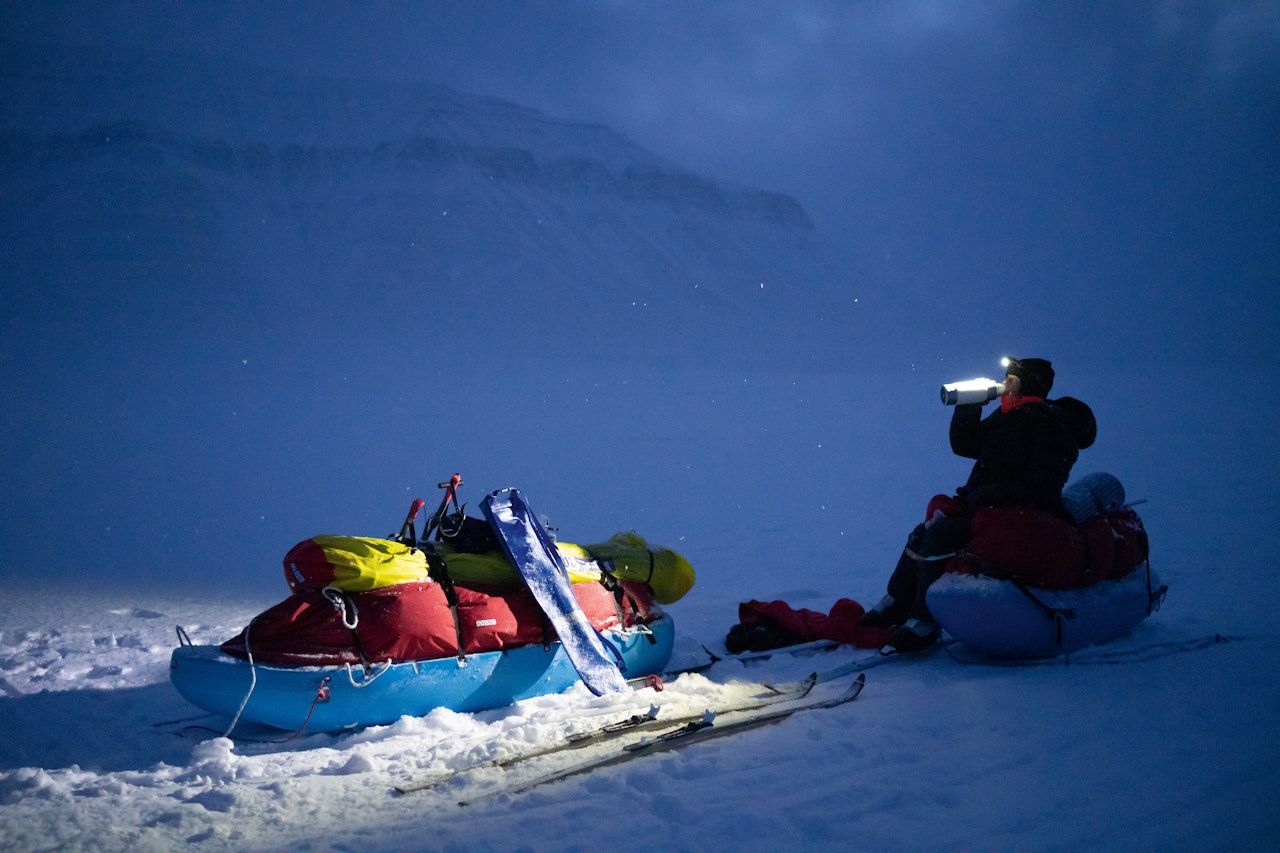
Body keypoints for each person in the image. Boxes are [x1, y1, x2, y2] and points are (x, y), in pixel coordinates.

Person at [861, 357, 1084, 652]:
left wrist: (989, 494)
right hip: (991, 509)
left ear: (1029, 384)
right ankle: (895, 604)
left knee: (941, 535)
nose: (1006, 383)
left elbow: (1040, 487)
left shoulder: (1050, 425)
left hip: (1025, 518)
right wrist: (969, 405)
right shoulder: (1009, 415)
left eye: (1013, 379)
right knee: (922, 533)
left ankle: (924, 622)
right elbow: (965, 445)